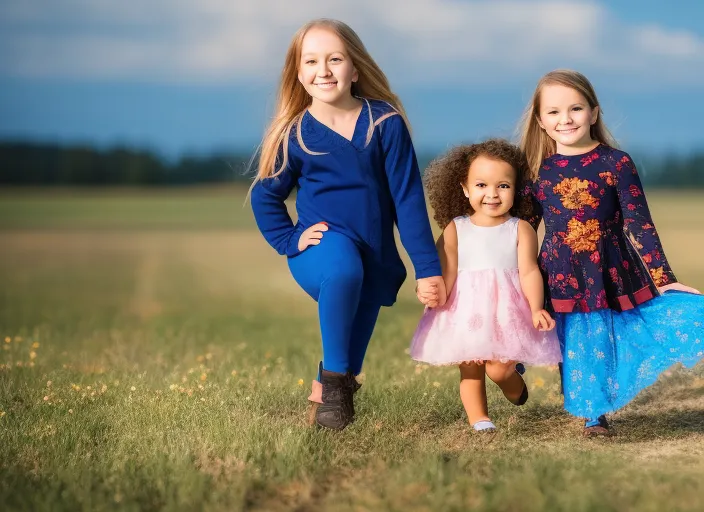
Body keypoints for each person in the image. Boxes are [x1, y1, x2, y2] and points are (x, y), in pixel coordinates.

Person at [249, 19, 445, 430]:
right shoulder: (295, 134)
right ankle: (337, 386)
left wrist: (428, 269)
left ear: (355, 68)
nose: (324, 70)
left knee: (353, 343)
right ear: (298, 74)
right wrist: (289, 238)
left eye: (334, 59)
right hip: (320, 252)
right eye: (312, 61)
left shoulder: (384, 123)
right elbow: (264, 194)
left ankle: (328, 393)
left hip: (375, 253)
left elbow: (407, 200)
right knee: (342, 267)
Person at [518, 69, 704, 437]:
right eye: (553, 112)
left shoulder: (616, 163)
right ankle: (589, 410)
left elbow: (640, 225)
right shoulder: (536, 171)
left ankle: (595, 411)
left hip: (611, 268)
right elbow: (520, 230)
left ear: (594, 112)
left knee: (603, 335)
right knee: (575, 339)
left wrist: (665, 280)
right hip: (559, 272)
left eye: (575, 108)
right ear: (540, 121)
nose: (565, 119)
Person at [410, 139, 562, 432]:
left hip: (507, 311)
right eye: (481, 185)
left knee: (498, 367)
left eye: (503, 186)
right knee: (470, 367)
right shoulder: (456, 228)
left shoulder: (520, 228)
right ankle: (480, 420)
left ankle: (512, 384)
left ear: (515, 189)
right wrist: (434, 297)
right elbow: (447, 271)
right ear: (465, 189)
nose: (492, 194)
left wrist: (536, 308)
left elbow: (529, 271)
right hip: (464, 310)